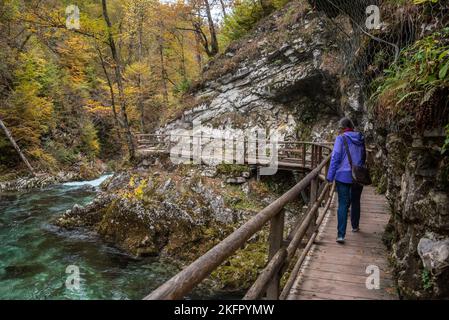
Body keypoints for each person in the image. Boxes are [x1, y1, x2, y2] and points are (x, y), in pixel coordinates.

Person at [326, 117, 366, 244]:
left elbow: (335, 158)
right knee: (356, 201)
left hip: (343, 176)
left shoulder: (341, 138)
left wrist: (330, 176)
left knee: (343, 204)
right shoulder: (360, 138)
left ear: (343, 128)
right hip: (357, 175)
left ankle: (341, 235)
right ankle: (355, 226)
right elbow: (364, 155)